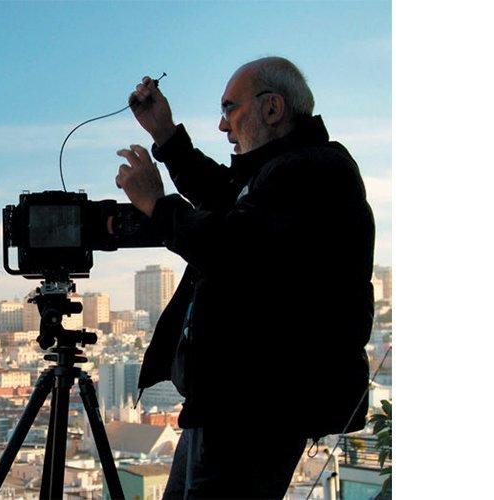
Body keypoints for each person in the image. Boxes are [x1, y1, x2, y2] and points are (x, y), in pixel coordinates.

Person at [114, 57, 375, 499]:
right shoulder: (284, 171)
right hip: (230, 402)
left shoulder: (317, 172)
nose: (223, 125)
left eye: (230, 108)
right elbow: (223, 197)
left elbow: (232, 247)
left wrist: (157, 205)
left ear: (272, 108)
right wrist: (166, 135)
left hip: (259, 407)